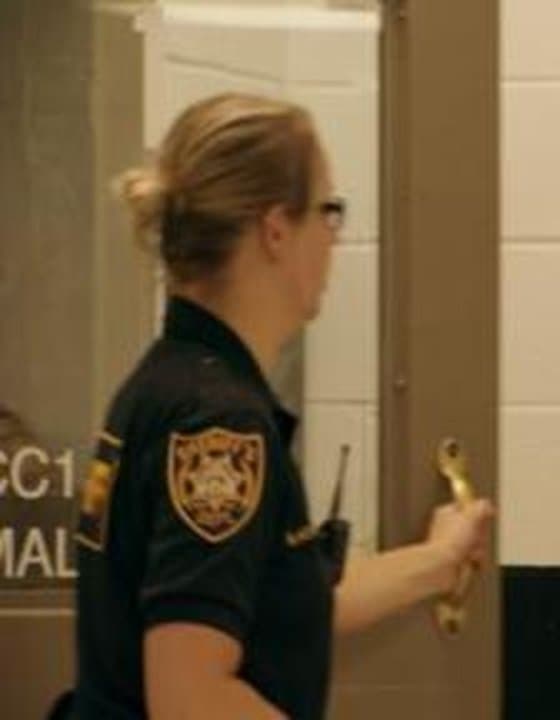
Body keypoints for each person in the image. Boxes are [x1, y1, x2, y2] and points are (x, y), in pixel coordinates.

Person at [69, 92, 495, 719]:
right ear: (275, 231)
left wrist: (439, 561)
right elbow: (192, 698)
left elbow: (286, 601)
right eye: (328, 211)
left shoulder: (168, 386)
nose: (332, 237)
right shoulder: (217, 426)